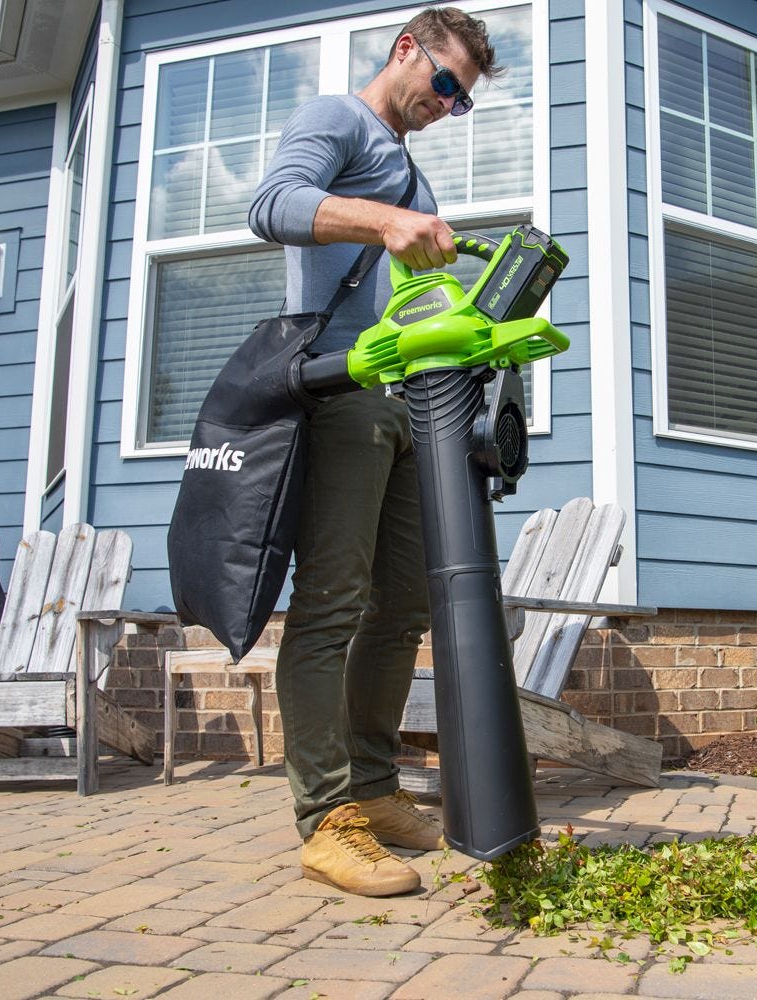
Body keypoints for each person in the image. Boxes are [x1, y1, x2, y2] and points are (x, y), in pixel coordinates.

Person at [248, 7, 502, 897]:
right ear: (407, 50)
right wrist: (382, 220)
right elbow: (271, 206)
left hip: (408, 401)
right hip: (342, 391)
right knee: (331, 604)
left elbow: (420, 300)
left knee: (399, 609)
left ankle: (375, 786)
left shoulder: (412, 175)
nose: (446, 106)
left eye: (461, 103)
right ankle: (327, 819)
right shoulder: (336, 119)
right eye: (444, 86)